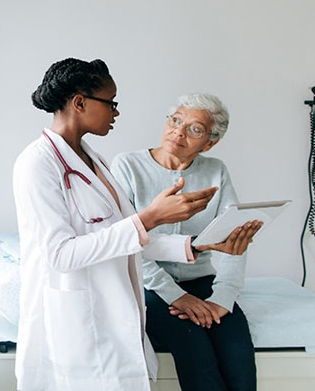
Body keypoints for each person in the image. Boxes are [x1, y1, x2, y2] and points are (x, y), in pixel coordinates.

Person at [12, 59, 261, 391]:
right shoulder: (37, 163)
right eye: (110, 102)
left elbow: (128, 237)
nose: (116, 112)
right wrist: (151, 217)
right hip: (75, 316)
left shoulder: (93, 161)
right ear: (80, 103)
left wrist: (196, 245)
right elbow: (60, 255)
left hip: (114, 304)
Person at [110, 93, 260, 391]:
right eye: (176, 120)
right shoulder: (128, 166)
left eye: (194, 129)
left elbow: (234, 239)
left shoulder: (216, 170)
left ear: (209, 143)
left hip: (201, 281)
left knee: (238, 353)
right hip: (148, 287)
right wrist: (175, 296)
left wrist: (222, 298)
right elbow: (125, 242)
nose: (179, 132)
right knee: (196, 351)